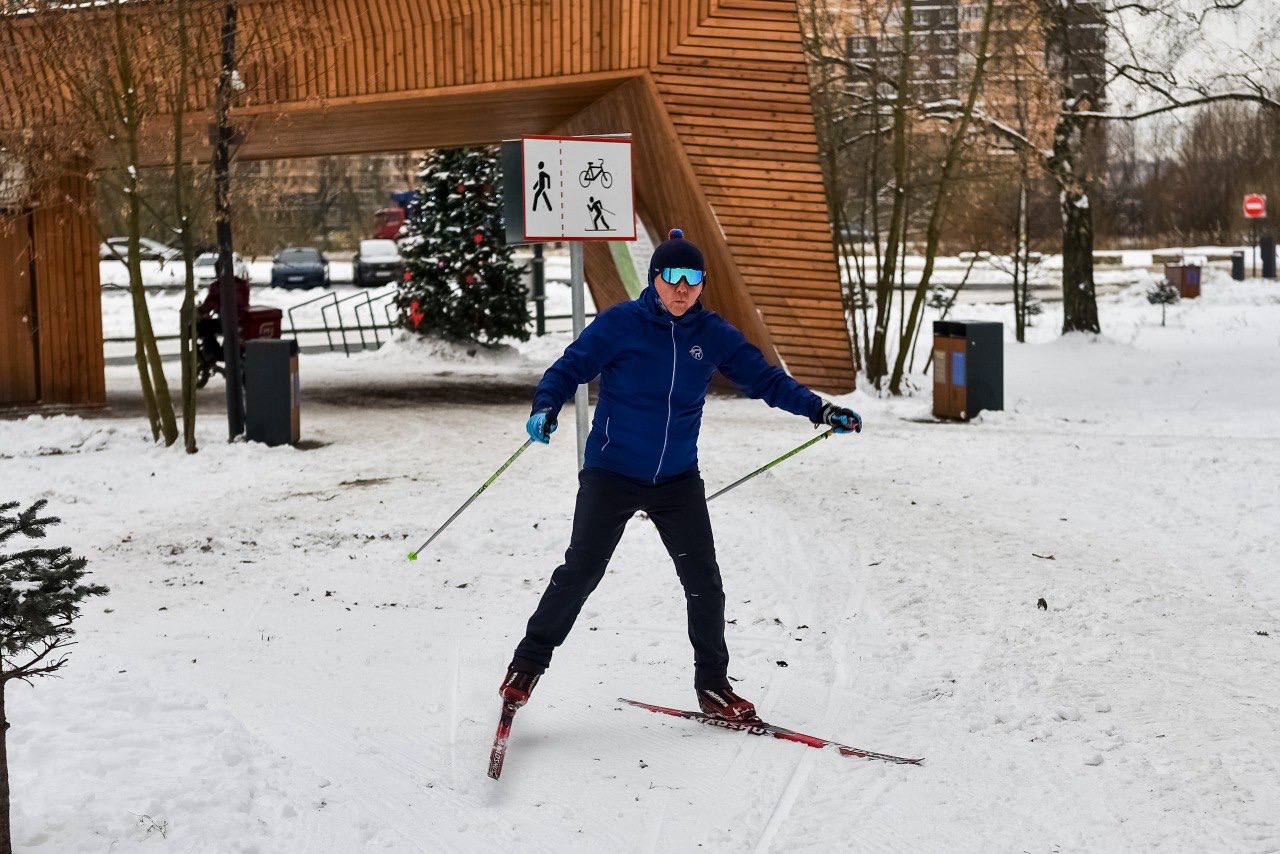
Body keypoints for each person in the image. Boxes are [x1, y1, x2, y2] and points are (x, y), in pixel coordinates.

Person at [500, 228, 861, 721]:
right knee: (581, 571)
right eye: (673, 278)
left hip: (675, 479)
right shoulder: (621, 324)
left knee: (704, 581)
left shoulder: (711, 334)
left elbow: (767, 380)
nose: (682, 289)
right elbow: (569, 368)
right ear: (655, 279)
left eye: (693, 280)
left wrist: (820, 410)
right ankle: (526, 665)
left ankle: (713, 685)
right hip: (612, 470)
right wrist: (546, 406)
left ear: (702, 284)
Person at [197, 274, 250, 362]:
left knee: (203, 327)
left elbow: (208, 305)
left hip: (227, 321)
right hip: (242, 321)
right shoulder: (243, 285)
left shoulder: (218, 286)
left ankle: (213, 353)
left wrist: (201, 311)